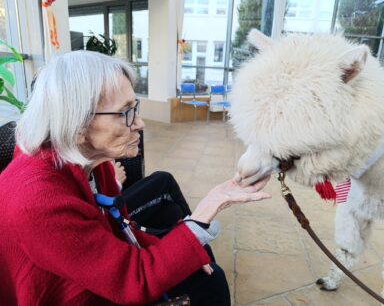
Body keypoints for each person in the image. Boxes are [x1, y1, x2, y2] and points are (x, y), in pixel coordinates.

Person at [0, 51, 271, 306]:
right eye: (126, 112)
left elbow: (122, 232)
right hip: (69, 294)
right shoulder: (37, 200)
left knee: (206, 272)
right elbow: (133, 282)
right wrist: (204, 212)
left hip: (96, 273)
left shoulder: (94, 163)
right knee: (211, 283)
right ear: (77, 124)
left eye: (135, 107)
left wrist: (187, 251)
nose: (140, 123)